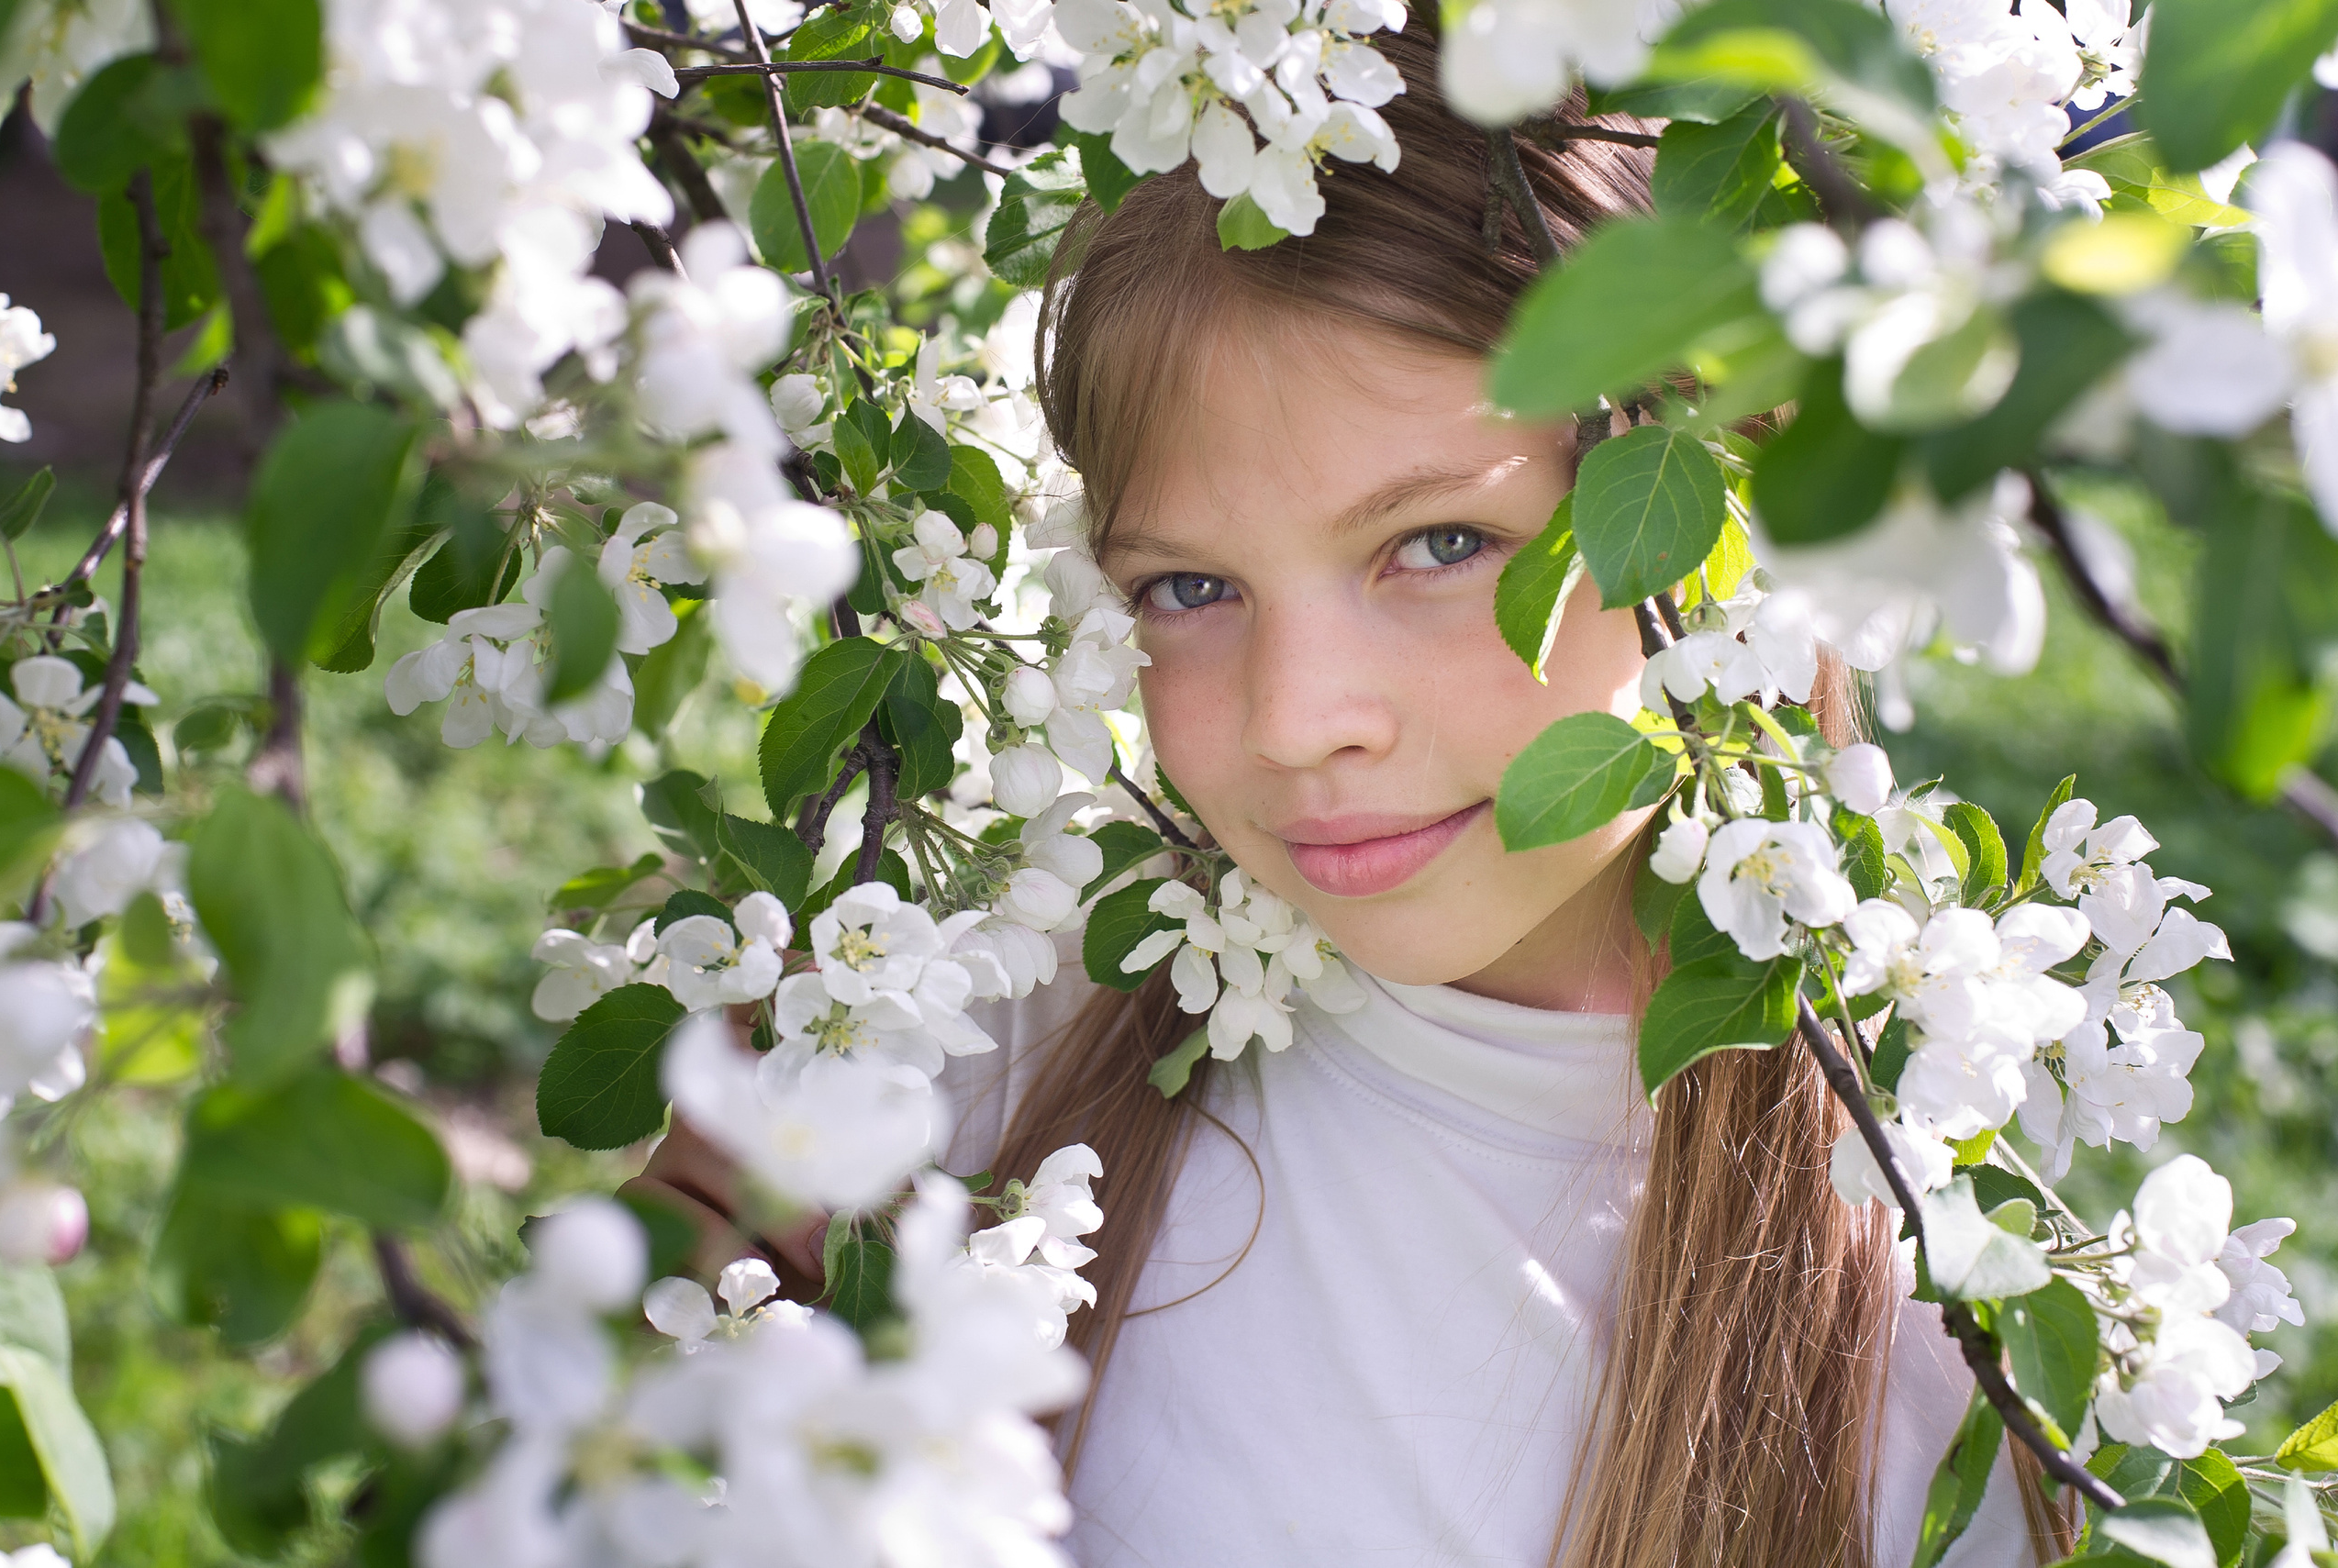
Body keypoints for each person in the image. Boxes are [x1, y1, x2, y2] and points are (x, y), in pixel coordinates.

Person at [634, 22, 2071, 1567]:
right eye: (1190, 586)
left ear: (1717, 513)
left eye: (1441, 544)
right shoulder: (972, 1057)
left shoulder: (1923, 1374)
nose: (1298, 721)